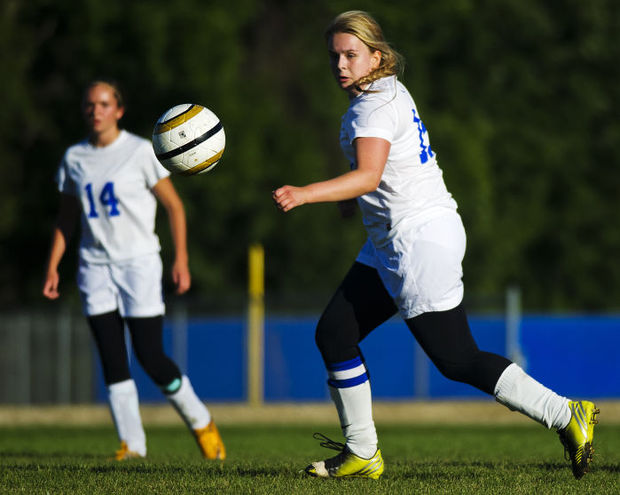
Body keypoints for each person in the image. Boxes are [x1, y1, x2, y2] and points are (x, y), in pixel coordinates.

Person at [273, 10, 598, 480]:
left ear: (376, 56)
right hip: (393, 242)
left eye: (351, 54)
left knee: (457, 359)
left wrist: (306, 193)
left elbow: (368, 174)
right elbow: (371, 180)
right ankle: (363, 452)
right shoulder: (381, 93)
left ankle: (566, 413)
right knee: (334, 334)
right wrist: (348, 201)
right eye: (334, 56)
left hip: (418, 243)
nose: (340, 64)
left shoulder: (373, 106)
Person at [43, 79, 225, 461]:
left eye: (104, 104)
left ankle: (201, 422)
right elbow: (66, 217)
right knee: (111, 356)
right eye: (90, 104)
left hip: (139, 264)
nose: (96, 110)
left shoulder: (142, 151)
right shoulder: (74, 157)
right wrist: (53, 266)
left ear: (119, 110)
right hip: (94, 267)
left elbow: (175, 207)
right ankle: (133, 445)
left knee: (150, 356)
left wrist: (181, 260)